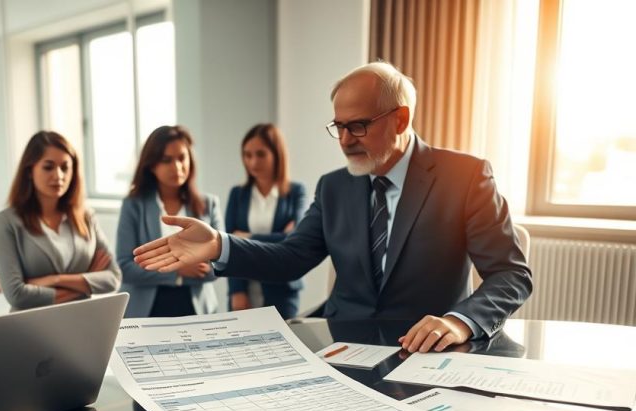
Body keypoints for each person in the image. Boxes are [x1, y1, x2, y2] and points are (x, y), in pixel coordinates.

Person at [133, 62, 532, 352]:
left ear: (400, 119)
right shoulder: (335, 186)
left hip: (428, 351)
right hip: (342, 347)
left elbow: (510, 275)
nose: (344, 140)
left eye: (357, 125)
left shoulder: (465, 176)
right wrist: (221, 245)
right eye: (338, 126)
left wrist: (459, 322)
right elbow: (291, 257)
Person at [0, 131, 120, 310]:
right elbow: (17, 295)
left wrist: (55, 280)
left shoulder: (86, 217)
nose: (58, 176)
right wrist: (85, 282)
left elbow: (113, 277)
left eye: (65, 167)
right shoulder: (7, 222)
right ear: (29, 170)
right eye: (48, 167)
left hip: (84, 321)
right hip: (32, 328)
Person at [115, 125, 223, 318]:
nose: (177, 167)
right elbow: (126, 267)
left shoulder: (209, 204)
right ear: (151, 164)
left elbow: (217, 267)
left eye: (182, 158)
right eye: (166, 160)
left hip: (197, 310)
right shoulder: (133, 205)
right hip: (146, 311)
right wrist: (180, 271)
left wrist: (154, 269)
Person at [225, 123, 308, 319]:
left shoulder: (296, 192)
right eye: (248, 155)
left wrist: (247, 237)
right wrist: (236, 290)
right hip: (245, 288)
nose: (253, 162)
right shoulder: (237, 194)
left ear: (276, 154)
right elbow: (228, 246)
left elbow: (295, 240)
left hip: (282, 288)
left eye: (261, 154)